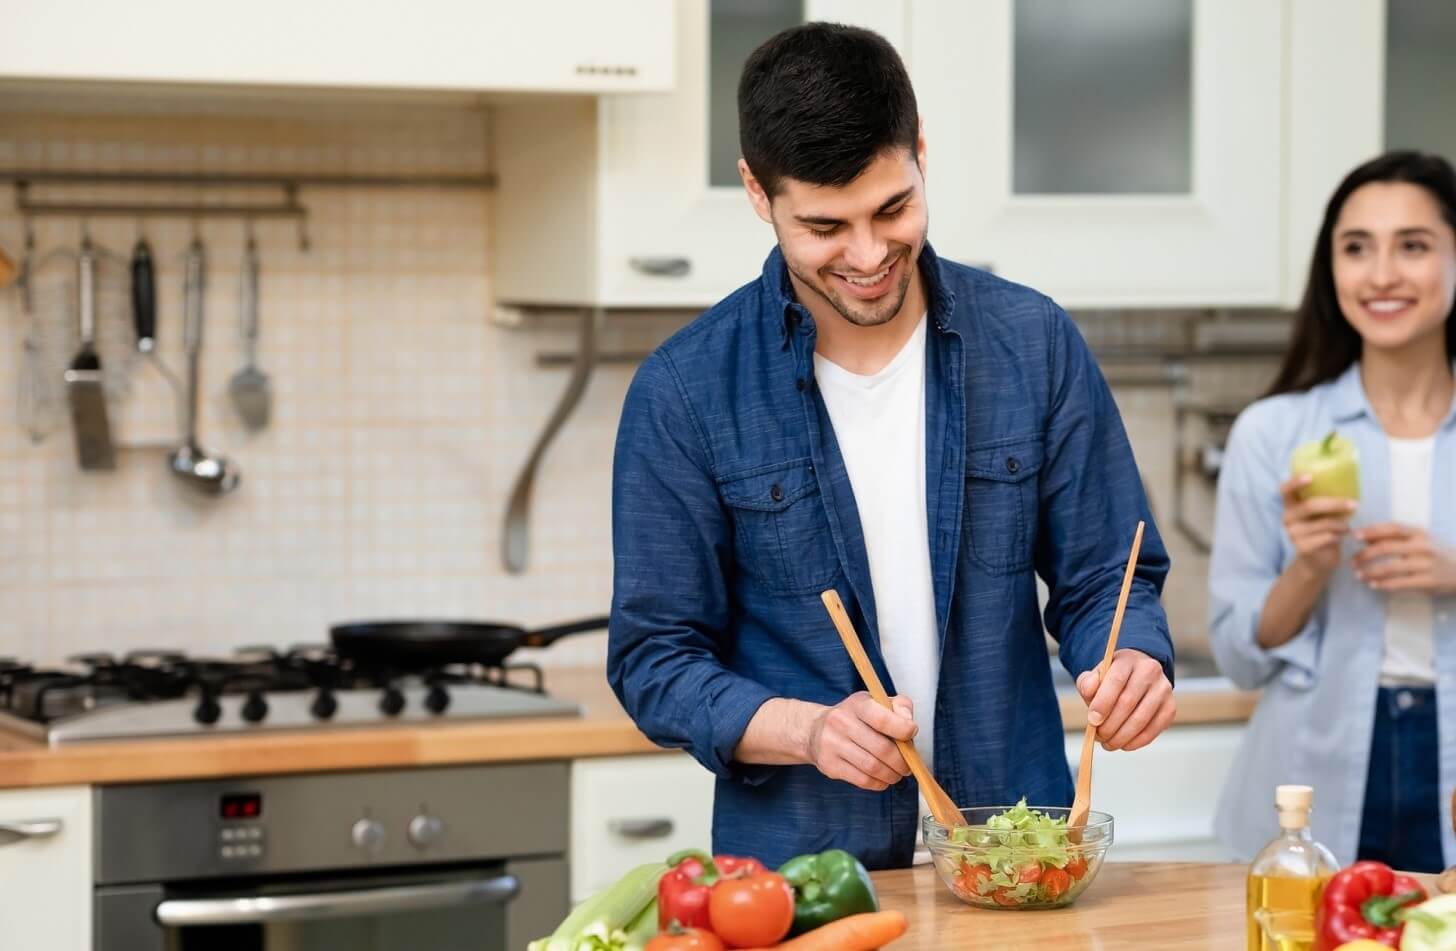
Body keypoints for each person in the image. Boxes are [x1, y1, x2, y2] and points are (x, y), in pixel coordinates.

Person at [608, 22, 1176, 870]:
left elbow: (1106, 575)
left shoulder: (1033, 342)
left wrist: (1129, 656)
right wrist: (807, 729)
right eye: (825, 227)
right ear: (758, 194)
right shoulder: (685, 390)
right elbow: (656, 659)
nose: (869, 255)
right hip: (802, 876)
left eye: (893, 208)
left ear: (919, 153)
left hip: (1014, 854)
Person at [1209, 150, 1456, 871]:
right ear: (1332, 269)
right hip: (1311, 765)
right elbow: (1237, 657)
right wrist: (1311, 566)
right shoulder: (1274, 434)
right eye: (1357, 248)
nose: (1381, 274)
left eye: (1413, 245)